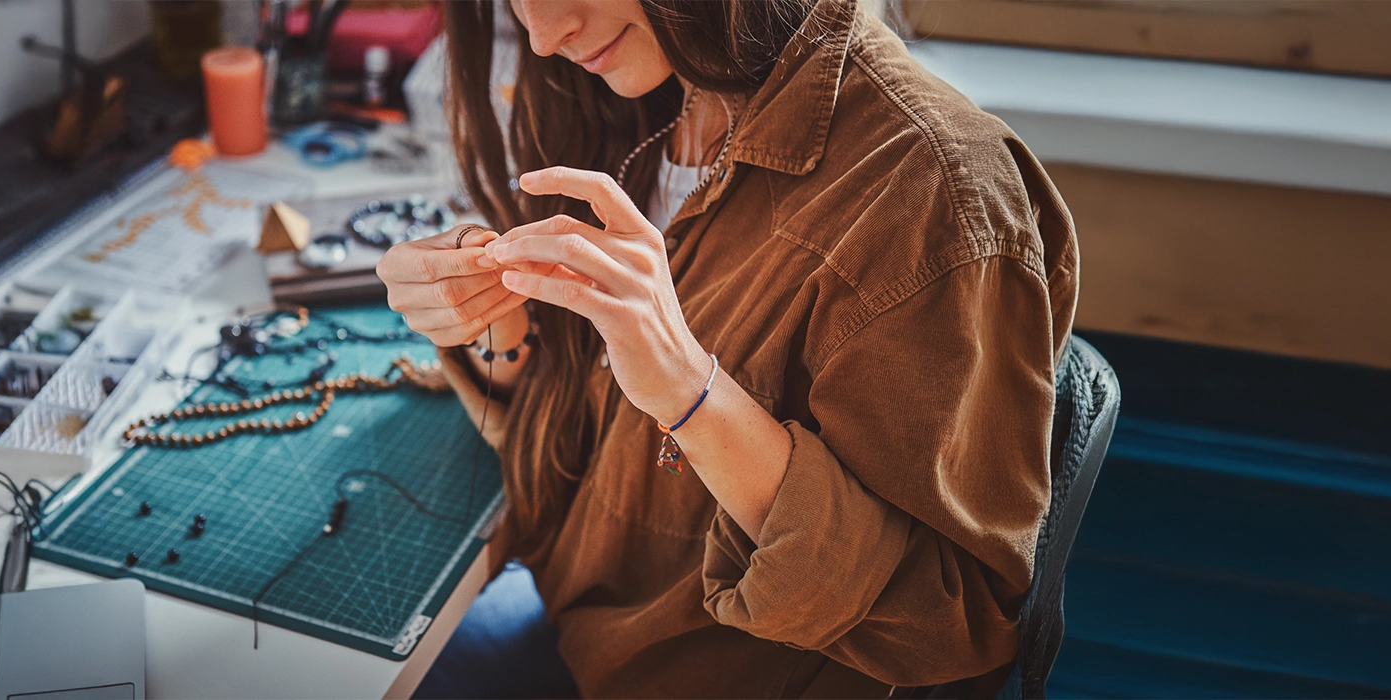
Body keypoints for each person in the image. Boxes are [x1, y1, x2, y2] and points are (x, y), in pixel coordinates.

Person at [379, 0, 1079, 696]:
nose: (541, 36)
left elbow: (953, 626)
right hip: (577, 625)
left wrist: (690, 391)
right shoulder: (646, 100)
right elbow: (587, 451)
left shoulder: (936, 197)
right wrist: (497, 321)